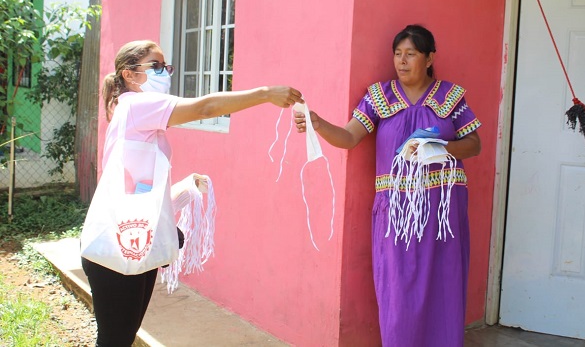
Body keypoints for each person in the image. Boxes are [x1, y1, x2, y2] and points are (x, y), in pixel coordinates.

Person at [81, 39, 303, 347]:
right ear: (129, 75)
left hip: (136, 240)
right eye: (154, 66)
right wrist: (264, 94)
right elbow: (205, 107)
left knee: (121, 339)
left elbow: (137, 192)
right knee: (114, 341)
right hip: (118, 245)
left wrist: (181, 194)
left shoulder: (137, 114)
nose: (164, 72)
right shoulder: (137, 104)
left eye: (165, 66)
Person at [294, 25, 481, 347]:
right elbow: (350, 137)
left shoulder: (450, 97)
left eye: (411, 54)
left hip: (442, 211)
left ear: (429, 58)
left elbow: (474, 144)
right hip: (397, 212)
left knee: (444, 283)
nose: (402, 61)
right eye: (398, 54)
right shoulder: (380, 97)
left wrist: (438, 149)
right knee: (397, 288)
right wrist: (318, 122)